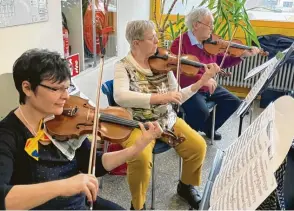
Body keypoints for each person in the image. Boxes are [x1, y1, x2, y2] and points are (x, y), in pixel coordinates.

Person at [0, 48, 163, 210]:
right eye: (56, 89)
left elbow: (93, 164)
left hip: (77, 203)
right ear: (27, 88)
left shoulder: (64, 121)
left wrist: (135, 149)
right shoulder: (7, 135)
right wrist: (64, 186)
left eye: (67, 88)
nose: (65, 97)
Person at [113, 20, 220, 210]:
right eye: (151, 37)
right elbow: (120, 96)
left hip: (167, 120)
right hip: (139, 126)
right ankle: (137, 205)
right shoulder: (123, 66)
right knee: (140, 158)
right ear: (136, 42)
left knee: (198, 147)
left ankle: (185, 187)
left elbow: (178, 95)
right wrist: (159, 97)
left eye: (156, 36)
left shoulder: (163, 64)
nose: (157, 40)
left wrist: (201, 81)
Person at [170, 7, 260, 140]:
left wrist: (243, 55)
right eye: (209, 24)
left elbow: (221, 60)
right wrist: (203, 80)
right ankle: (188, 138)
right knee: (201, 111)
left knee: (234, 102)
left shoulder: (210, 43)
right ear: (196, 25)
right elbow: (177, 73)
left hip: (208, 86)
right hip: (190, 88)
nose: (212, 28)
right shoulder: (179, 44)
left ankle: (208, 128)